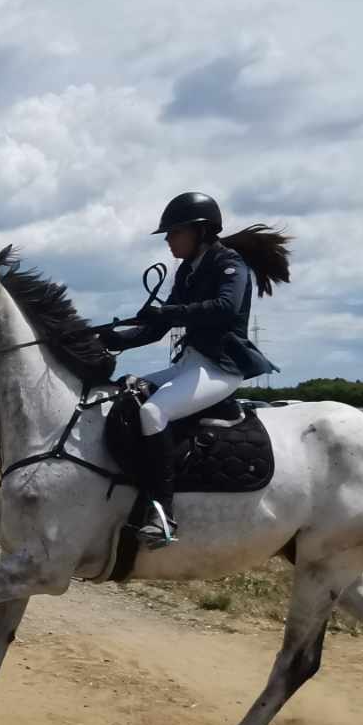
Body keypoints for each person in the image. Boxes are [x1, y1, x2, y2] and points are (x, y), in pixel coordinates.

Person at [99, 192, 290, 550]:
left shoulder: (229, 263)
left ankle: (162, 513)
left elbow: (224, 308)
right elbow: (156, 329)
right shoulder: (187, 270)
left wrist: (168, 312)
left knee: (154, 412)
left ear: (200, 231)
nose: (168, 241)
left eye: (174, 233)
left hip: (221, 369)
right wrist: (114, 339)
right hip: (190, 365)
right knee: (124, 395)